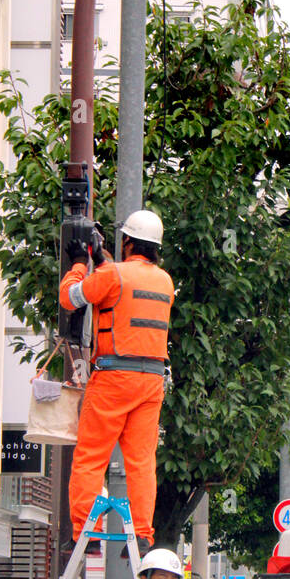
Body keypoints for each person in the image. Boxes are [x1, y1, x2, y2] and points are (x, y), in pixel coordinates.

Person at [59, 209, 174, 555]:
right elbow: (124, 285)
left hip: (112, 377)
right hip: (151, 381)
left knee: (91, 457)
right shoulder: (164, 281)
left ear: (128, 242)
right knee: (141, 462)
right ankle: (141, 534)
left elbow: (71, 296)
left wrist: (80, 262)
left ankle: (86, 532)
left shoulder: (112, 275)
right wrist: (102, 258)